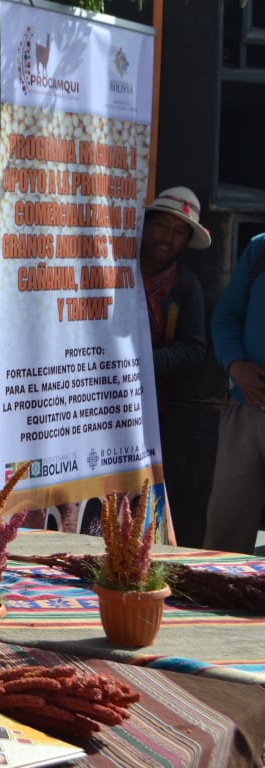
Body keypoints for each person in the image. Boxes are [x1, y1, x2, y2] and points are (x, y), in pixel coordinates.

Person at [139, 186, 212, 546]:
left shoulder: (185, 287)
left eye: (178, 232)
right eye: (162, 226)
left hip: (155, 408)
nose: (167, 238)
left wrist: (144, 363)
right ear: (147, 224)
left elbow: (194, 348)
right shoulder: (118, 268)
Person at [204, 231, 265, 555]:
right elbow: (227, 316)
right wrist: (235, 365)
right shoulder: (260, 248)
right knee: (225, 535)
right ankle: (218, 604)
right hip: (246, 411)